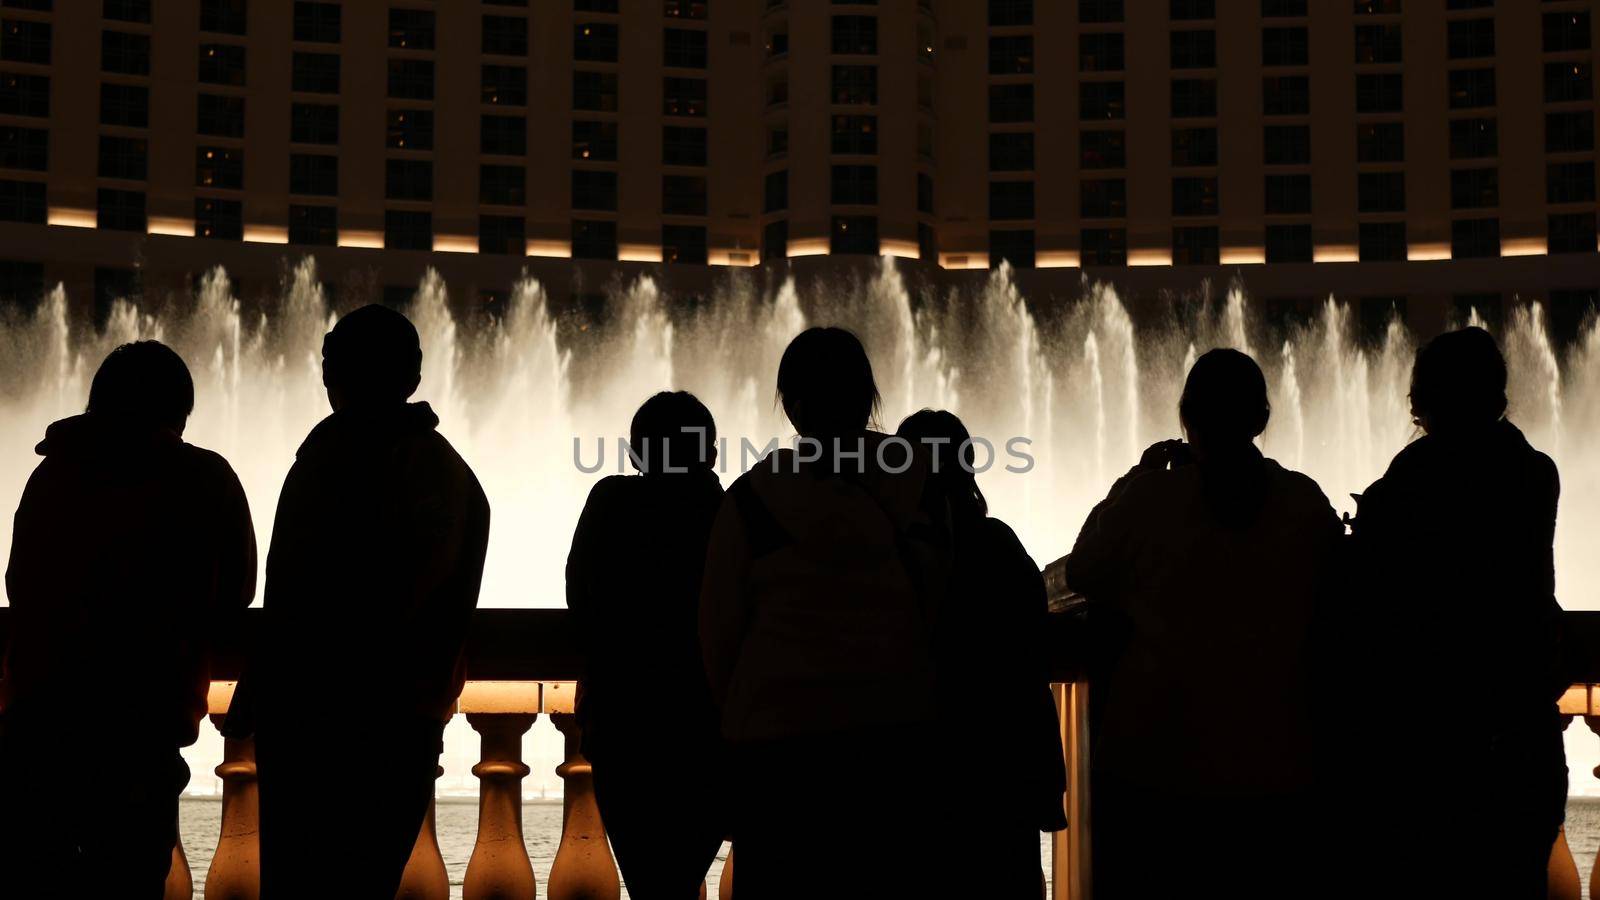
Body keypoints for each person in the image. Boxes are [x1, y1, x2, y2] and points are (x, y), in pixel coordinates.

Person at [1065, 348, 1342, 900]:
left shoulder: (1149, 498)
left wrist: (1130, 481)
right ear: (1261, 420)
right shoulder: (1303, 503)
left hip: (1159, 767)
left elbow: (1083, 570)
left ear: (1186, 418)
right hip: (1277, 766)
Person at [232, 304, 490, 897]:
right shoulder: (452, 474)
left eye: (331, 362)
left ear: (333, 373)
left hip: (315, 719)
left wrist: (263, 675)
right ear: (414, 378)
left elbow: (300, 590)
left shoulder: (332, 457)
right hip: (404, 720)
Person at [0, 341, 256, 898]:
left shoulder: (52, 477)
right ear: (179, 408)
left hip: (36, 721)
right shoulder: (204, 479)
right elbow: (238, 594)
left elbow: (19, 585)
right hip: (143, 729)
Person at [699, 326, 947, 899]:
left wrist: (739, 719)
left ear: (791, 403)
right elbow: (937, 604)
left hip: (778, 746)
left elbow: (719, 632)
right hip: (893, 736)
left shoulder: (752, 496)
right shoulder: (920, 486)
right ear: (867, 397)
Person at [1345, 326, 1565, 899]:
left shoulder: (1408, 484)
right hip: (1521, 736)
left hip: (1429, 746)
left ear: (1425, 399)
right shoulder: (1533, 472)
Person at [896, 409, 1066, 899]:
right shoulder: (999, 545)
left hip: (918, 765)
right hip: (1000, 768)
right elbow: (1034, 641)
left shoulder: (892, 550)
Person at [566, 391, 727, 898]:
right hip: (706, 722)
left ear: (638, 453)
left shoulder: (612, 503)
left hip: (623, 718)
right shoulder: (729, 512)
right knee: (681, 873)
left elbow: (579, 594)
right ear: (711, 453)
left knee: (648, 878)